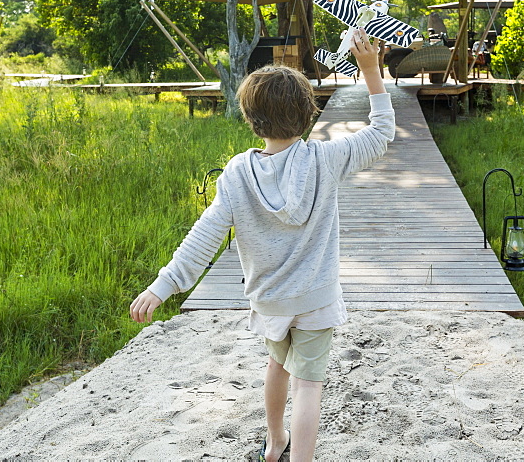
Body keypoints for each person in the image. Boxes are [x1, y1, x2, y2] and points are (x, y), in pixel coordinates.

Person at [130, 28, 395, 462]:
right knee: (309, 384)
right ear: (310, 115)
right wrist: (370, 71)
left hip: (270, 300)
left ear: (250, 120)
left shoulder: (235, 174)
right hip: (315, 299)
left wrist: (163, 286)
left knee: (278, 366)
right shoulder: (325, 159)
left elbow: (205, 235)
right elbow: (382, 132)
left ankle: (275, 446)